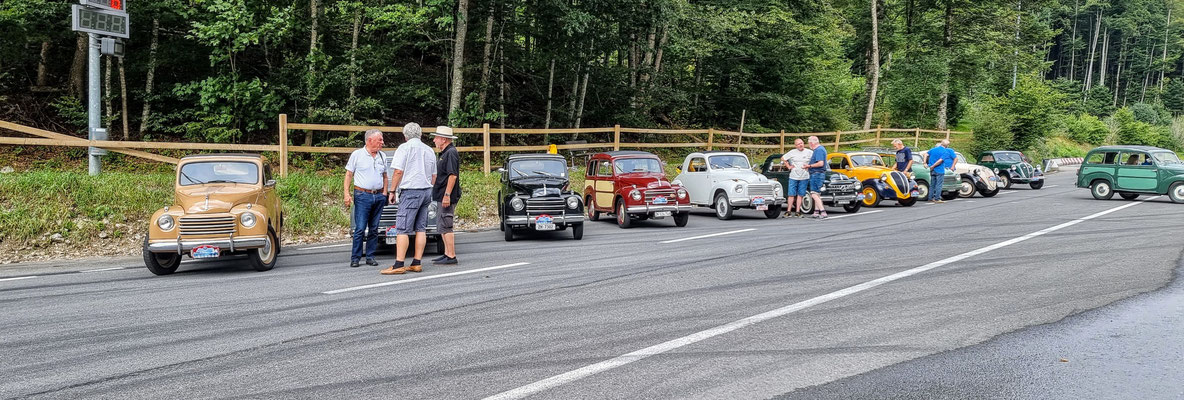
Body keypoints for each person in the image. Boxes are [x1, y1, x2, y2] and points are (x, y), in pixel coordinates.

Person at [381, 123, 437, 275]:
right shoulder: (429, 150)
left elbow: (398, 171)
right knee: (420, 228)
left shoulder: (404, 148)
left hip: (411, 190)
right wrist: (428, 187)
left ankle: (399, 263)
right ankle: (416, 262)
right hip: (426, 191)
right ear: (420, 134)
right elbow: (434, 175)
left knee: (402, 228)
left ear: (405, 136)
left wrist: (392, 190)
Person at [343, 129, 388, 268]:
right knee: (360, 228)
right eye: (379, 140)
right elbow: (349, 175)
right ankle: (355, 258)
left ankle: (370, 256)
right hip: (362, 195)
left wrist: (385, 193)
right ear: (370, 140)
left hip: (378, 195)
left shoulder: (382, 156)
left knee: (374, 228)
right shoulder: (357, 155)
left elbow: (385, 176)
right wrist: (346, 193)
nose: (382, 142)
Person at [430, 126, 461, 265]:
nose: (434, 140)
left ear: (443, 139)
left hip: (446, 195)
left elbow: (452, 176)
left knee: (446, 224)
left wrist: (447, 195)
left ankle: (452, 255)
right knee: (442, 224)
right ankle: (447, 253)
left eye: (436, 137)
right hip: (441, 195)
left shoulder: (451, 153)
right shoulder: (444, 153)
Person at [780, 138, 812, 218]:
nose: (800, 145)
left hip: (804, 176)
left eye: (801, 143)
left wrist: (809, 166)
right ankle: (788, 211)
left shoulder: (809, 152)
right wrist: (788, 166)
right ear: (796, 146)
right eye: (798, 144)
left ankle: (798, 211)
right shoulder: (792, 152)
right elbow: (783, 158)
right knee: (791, 194)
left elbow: (814, 160)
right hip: (793, 176)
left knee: (800, 194)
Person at [804, 136, 829, 219]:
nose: (809, 144)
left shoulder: (819, 150)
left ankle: (823, 211)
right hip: (817, 173)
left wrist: (809, 165)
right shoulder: (820, 149)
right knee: (817, 194)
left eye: (809, 142)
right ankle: (816, 212)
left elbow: (820, 163)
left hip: (816, 174)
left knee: (814, 194)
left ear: (812, 142)